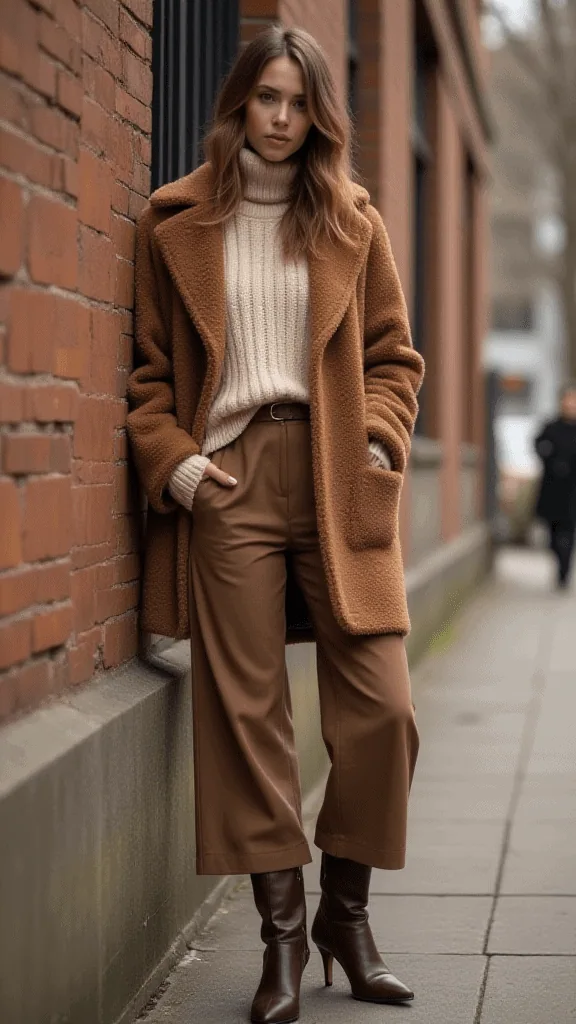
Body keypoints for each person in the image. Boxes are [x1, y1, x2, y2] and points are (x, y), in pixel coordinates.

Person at [127, 26, 424, 1024]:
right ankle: (283, 941)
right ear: (239, 103)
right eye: (268, 98)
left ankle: (348, 913)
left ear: (320, 114)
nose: (284, 118)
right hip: (230, 479)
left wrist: (378, 439)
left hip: (340, 471)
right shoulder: (174, 222)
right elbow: (149, 379)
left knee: (383, 707)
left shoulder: (351, 219)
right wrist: (180, 469)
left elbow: (394, 358)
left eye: (300, 102)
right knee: (247, 715)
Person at [534, 382, 576, 589]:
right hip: (553, 488)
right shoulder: (551, 427)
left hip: (572, 490)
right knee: (553, 533)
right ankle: (558, 560)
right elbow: (539, 445)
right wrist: (550, 459)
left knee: (568, 532)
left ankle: (564, 572)